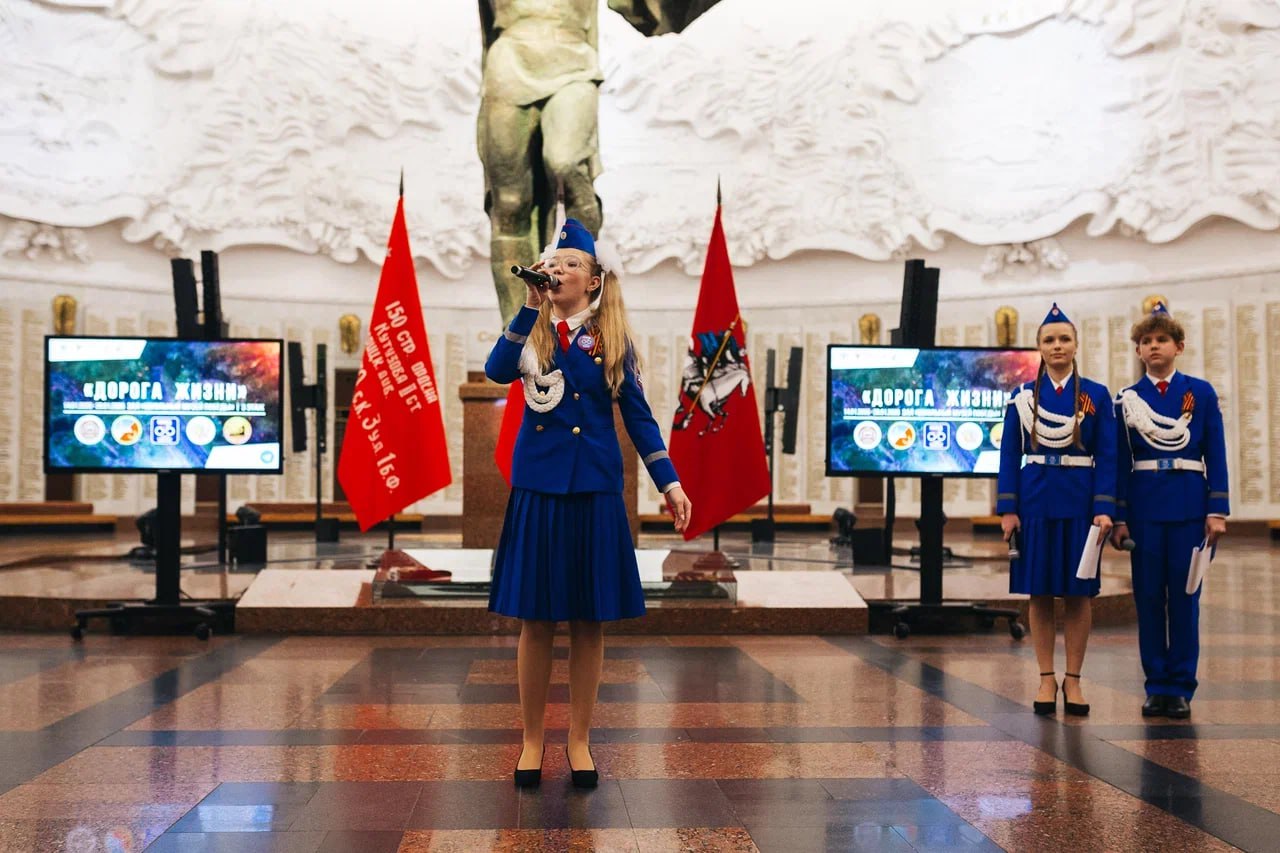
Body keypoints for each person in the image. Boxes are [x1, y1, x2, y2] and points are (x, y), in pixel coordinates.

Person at [484, 218, 692, 788]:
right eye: (552, 263)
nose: (558, 270)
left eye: (570, 264)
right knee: (535, 619)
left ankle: (578, 740)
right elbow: (497, 372)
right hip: (540, 488)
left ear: (594, 281)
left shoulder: (612, 340)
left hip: (594, 489)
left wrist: (669, 482)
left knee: (588, 620)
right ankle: (531, 740)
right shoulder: (531, 331)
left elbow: (640, 419)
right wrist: (530, 306)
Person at [997, 303, 1117, 716]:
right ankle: (1046, 677)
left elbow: (1109, 455)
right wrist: (1008, 508)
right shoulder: (1022, 397)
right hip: (1035, 500)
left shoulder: (1096, 395)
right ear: (1039, 348)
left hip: (1080, 502)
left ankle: (1074, 679)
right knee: (1040, 591)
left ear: (1076, 344)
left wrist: (1104, 507)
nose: (1057, 345)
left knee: (1079, 594)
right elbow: (1009, 453)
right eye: (1049, 340)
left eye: (1065, 338)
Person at [1111, 302, 1228, 719]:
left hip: (1189, 507)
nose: (1154, 346)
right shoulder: (1127, 400)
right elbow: (1119, 461)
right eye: (1146, 341)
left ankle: (1180, 686)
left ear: (1179, 346)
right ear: (1138, 351)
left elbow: (1215, 451)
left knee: (1185, 597)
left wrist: (1217, 509)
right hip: (1144, 508)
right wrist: (1119, 516)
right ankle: (1156, 684)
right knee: (1147, 599)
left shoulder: (1200, 393)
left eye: (1162, 339)